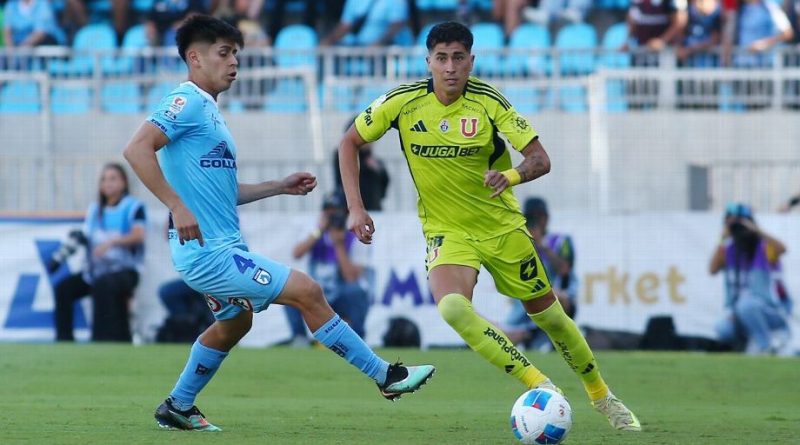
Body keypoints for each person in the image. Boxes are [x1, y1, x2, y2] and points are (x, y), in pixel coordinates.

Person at [122, 14, 434, 432]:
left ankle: (178, 405)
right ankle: (386, 376)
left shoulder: (210, 112)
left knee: (236, 322)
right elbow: (136, 149)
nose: (234, 62)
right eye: (224, 53)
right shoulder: (186, 102)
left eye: (236, 53)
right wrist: (176, 206)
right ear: (194, 58)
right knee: (308, 290)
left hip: (219, 247)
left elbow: (222, 192)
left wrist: (278, 186)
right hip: (208, 253)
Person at [337, 21, 641, 432]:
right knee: (451, 307)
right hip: (447, 232)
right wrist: (356, 208)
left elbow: (540, 158)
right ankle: (541, 385)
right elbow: (349, 142)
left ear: (471, 61)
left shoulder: (488, 102)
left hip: (502, 229)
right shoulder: (402, 102)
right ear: (428, 62)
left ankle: (603, 396)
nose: (449, 68)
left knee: (551, 318)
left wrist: (510, 177)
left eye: (458, 58)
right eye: (441, 58)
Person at [51, 163, 146, 342]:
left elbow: (139, 235)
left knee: (105, 285)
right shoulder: (95, 210)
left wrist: (112, 242)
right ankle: (64, 340)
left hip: (125, 271)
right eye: (104, 179)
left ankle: (106, 339)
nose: (107, 183)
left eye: (113, 178)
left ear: (124, 183)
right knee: (63, 288)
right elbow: (85, 235)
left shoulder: (133, 207)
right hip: (96, 271)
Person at [284, 191, 372, 344]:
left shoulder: (354, 236)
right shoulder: (314, 230)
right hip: (317, 290)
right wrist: (319, 231)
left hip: (341, 292)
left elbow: (351, 277)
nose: (332, 217)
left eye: (336, 212)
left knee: (357, 293)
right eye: (328, 212)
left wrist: (338, 244)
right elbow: (297, 253)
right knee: (289, 291)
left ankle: (358, 340)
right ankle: (299, 339)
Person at [709, 203, 792, 355]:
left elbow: (782, 249)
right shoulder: (729, 250)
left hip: (772, 312)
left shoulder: (764, 248)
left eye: (742, 223)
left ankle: (765, 347)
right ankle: (750, 344)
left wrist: (756, 230)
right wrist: (722, 237)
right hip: (740, 312)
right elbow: (712, 269)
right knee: (722, 329)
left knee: (746, 305)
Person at [505, 197, 578, 351]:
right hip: (525, 304)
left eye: (539, 216)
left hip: (558, 297)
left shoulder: (560, 241)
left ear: (547, 217)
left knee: (559, 298)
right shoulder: (519, 242)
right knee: (501, 335)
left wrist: (541, 246)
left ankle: (539, 337)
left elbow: (564, 270)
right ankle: (528, 334)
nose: (536, 222)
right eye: (531, 217)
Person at [332, 117, 390, 211]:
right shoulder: (341, 155)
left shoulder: (373, 159)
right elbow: (341, 179)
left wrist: (378, 169)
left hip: (373, 207)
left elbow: (385, 182)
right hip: (350, 209)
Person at [319, 0, 412, 47]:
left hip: (388, 57)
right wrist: (327, 41)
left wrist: (379, 44)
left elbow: (397, 24)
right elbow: (345, 26)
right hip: (361, 54)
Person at [2, 0, 66, 48]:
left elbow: (40, 33)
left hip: (40, 51)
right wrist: (10, 51)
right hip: (19, 51)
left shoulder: (42, 4)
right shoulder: (12, 5)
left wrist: (21, 50)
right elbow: (7, 31)